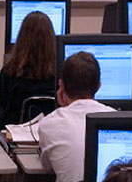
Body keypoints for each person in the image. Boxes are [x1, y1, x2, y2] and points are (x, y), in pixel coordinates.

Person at [38, 51, 117, 182]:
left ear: (61, 84)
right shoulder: (116, 119)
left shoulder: (49, 123)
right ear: (98, 86)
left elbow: (48, 167)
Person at [0, 11, 56, 132]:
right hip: (51, 130)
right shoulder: (60, 72)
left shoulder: (9, 70)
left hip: (13, 131)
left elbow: (2, 101)